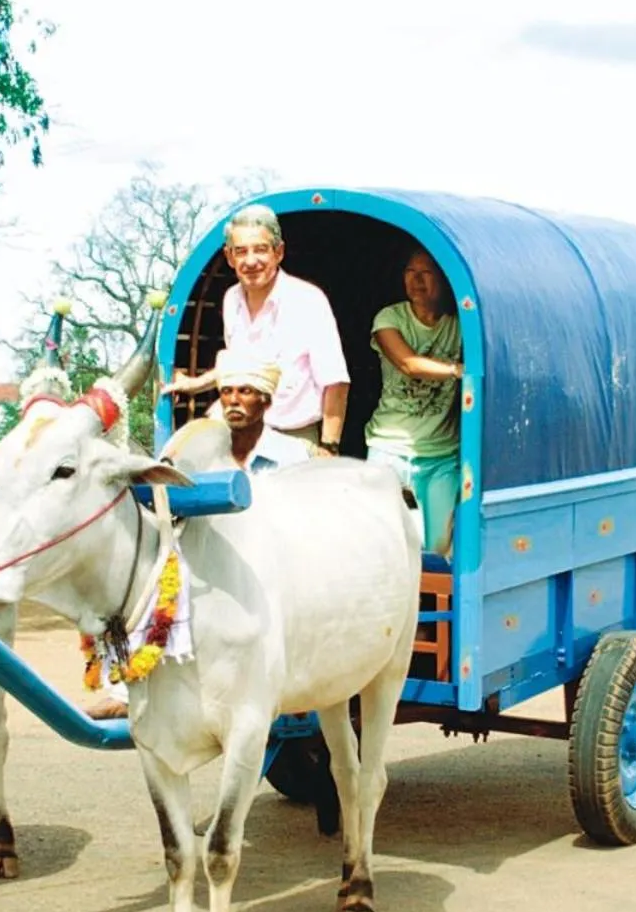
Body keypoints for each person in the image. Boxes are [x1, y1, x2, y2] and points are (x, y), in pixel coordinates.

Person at [83, 350, 304, 720]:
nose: (234, 400)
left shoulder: (293, 454)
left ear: (265, 401)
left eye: (246, 392)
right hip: (211, 566)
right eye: (228, 391)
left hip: (276, 574)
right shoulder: (195, 452)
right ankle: (125, 689)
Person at [161, 204, 350, 457]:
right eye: (241, 252)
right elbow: (240, 365)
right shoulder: (231, 300)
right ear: (229, 257)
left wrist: (329, 447)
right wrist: (194, 384)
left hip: (293, 437)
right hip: (241, 433)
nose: (251, 261)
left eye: (260, 249)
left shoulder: (308, 300)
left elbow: (335, 382)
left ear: (278, 252)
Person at [364, 247, 463, 557]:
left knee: (438, 549)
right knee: (383, 546)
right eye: (410, 271)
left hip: (441, 454)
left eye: (426, 272)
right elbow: (407, 363)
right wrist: (456, 370)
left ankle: (434, 608)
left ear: (444, 280)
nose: (417, 280)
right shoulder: (389, 318)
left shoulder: (461, 326)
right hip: (389, 448)